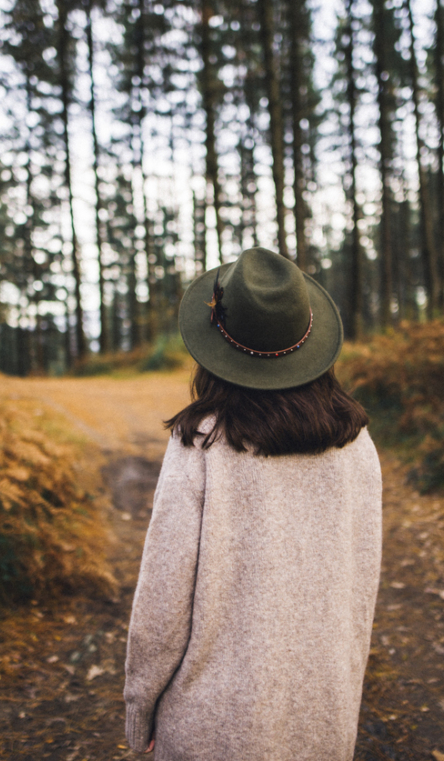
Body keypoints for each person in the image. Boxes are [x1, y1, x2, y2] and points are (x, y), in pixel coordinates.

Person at [123, 247, 383, 760]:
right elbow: (360, 587)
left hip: (209, 729)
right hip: (321, 718)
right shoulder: (357, 443)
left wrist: (140, 707)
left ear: (216, 348)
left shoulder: (201, 443)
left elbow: (163, 597)